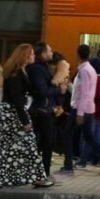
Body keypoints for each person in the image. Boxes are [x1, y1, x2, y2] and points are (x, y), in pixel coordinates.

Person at [0, 44, 53, 188]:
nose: (34, 56)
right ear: (24, 57)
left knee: (12, 146)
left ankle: (30, 176)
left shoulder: (22, 72)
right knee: (11, 145)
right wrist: (25, 120)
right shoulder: (15, 75)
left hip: (14, 113)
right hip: (12, 114)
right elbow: (16, 99)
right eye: (31, 54)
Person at [71, 44, 100, 173]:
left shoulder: (97, 79)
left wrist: (83, 111)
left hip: (95, 111)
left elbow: (89, 95)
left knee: (93, 136)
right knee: (93, 136)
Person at [26, 42, 66, 179]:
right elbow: (42, 90)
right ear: (42, 54)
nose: (51, 53)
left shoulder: (43, 67)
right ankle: (42, 172)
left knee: (48, 142)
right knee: (45, 142)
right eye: (49, 51)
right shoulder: (37, 69)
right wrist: (58, 90)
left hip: (46, 109)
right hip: (41, 110)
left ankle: (42, 171)